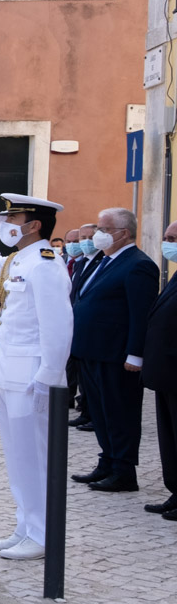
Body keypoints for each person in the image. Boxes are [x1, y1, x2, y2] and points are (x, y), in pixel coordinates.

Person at [0, 195, 71, 561]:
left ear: (35, 226)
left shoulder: (46, 264)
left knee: (35, 457)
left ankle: (42, 535)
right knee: (17, 457)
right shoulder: (19, 259)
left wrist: (48, 378)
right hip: (8, 371)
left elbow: (58, 326)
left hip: (30, 376)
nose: (9, 224)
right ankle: (25, 526)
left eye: (15, 218)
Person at [70, 207, 158, 493]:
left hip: (117, 355)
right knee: (100, 411)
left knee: (120, 413)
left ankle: (123, 470)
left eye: (105, 230)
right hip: (91, 350)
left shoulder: (138, 264)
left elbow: (140, 313)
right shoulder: (101, 261)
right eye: (99, 228)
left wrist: (136, 354)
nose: (98, 235)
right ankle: (106, 461)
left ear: (124, 233)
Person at [138, 221, 177, 519]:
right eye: (166, 238)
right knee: (170, 438)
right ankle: (175, 492)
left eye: (173, 238)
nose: (168, 244)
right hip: (167, 375)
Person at [64, 224, 99, 431]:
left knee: (90, 378)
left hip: (92, 331)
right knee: (80, 373)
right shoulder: (81, 264)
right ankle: (85, 411)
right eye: (80, 238)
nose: (83, 242)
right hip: (75, 324)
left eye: (87, 238)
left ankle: (91, 413)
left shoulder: (100, 262)